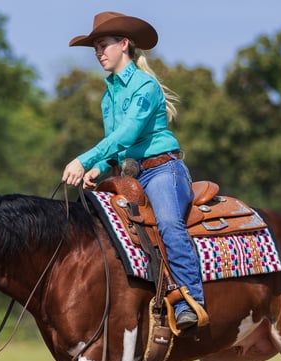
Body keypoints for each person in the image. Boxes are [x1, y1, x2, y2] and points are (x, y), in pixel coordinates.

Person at [62, 11, 206, 332]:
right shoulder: (107, 96)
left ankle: (189, 301)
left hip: (162, 171)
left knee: (169, 225)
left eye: (104, 45)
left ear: (124, 44)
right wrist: (99, 167)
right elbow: (117, 146)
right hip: (129, 176)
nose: (99, 53)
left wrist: (83, 160)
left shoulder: (145, 87)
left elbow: (126, 134)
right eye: (95, 47)